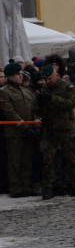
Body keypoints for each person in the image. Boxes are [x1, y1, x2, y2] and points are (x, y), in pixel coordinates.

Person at [37, 64, 75, 199]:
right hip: (50, 128)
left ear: (57, 75)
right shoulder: (44, 89)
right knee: (48, 159)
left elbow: (70, 103)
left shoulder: (67, 87)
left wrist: (52, 99)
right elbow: (39, 109)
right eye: (46, 79)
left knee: (72, 158)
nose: (48, 81)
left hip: (66, 127)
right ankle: (48, 188)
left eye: (50, 78)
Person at [0, 61, 37, 198]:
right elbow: (10, 112)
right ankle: (16, 188)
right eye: (17, 74)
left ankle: (26, 186)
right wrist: (24, 126)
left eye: (20, 73)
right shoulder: (4, 92)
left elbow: (34, 109)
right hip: (14, 132)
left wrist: (35, 125)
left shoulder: (26, 91)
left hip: (28, 130)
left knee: (27, 160)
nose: (20, 76)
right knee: (15, 160)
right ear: (10, 76)